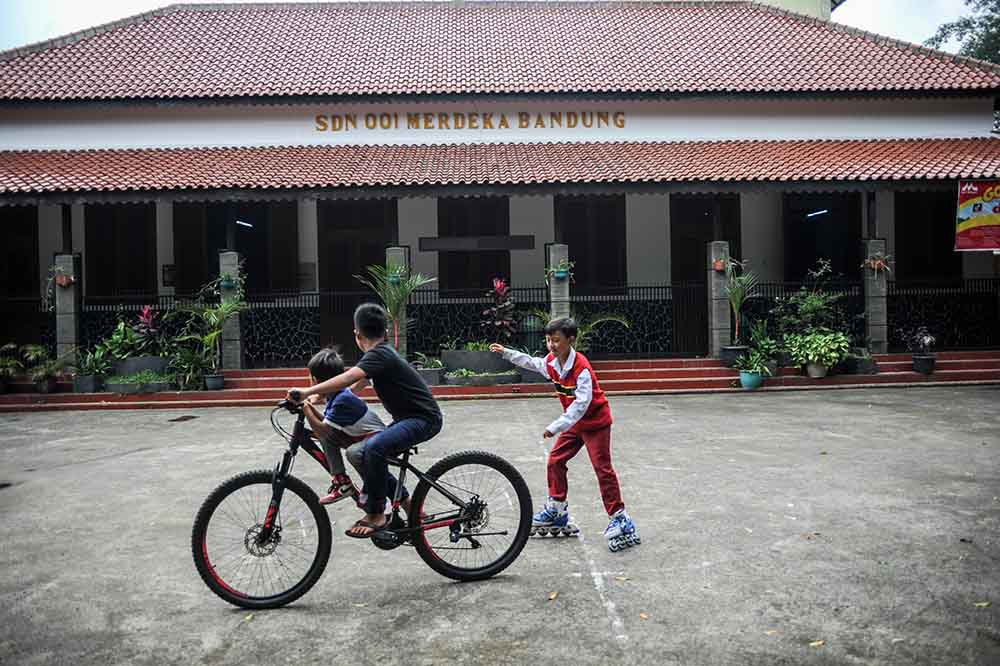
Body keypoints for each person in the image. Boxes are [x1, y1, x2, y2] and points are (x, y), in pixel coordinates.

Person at [288, 303, 443, 538]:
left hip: (423, 419)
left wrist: (307, 392)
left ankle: (376, 513)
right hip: (406, 420)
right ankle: (411, 508)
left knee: (374, 449)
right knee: (358, 452)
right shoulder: (381, 356)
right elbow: (353, 387)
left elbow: (350, 377)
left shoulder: (379, 354)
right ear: (386, 331)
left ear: (357, 334)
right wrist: (322, 396)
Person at [490, 317, 641, 552]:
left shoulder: (581, 368)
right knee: (555, 461)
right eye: (549, 340)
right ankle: (557, 509)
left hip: (595, 423)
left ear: (571, 340)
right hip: (574, 425)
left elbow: (581, 405)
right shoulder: (551, 362)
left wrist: (556, 426)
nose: (551, 345)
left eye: (556, 340)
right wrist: (506, 352)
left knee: (602, 469)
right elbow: (532, 362)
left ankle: (619, 517)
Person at [301, 347, 386, 506]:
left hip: (375, 436)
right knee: (328, 438)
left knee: (352, 452)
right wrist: (310, 407)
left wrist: (306, 408)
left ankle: (370, 491)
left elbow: (322, 430)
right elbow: (326, 425)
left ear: (315, 380)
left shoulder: (341, 399)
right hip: (361, 435)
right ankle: (342, 482)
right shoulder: (336, 394)